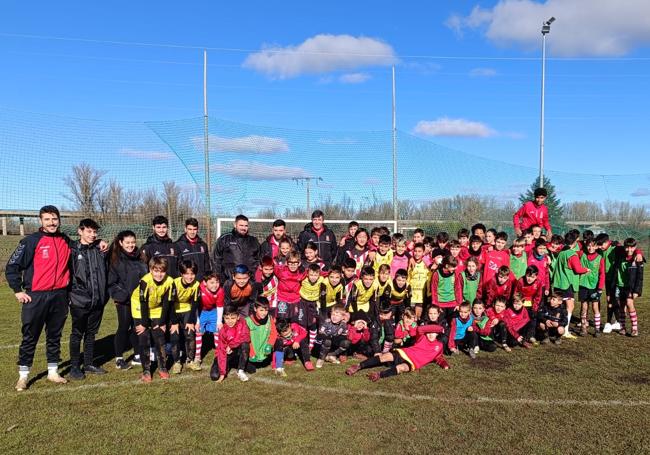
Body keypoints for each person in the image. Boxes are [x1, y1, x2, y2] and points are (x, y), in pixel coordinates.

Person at [7, 205, 73, 391]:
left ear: (59, 220)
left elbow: (83, 248)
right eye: (47, 219)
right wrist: (17, 290)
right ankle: (23, 376)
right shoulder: (30, 241)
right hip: (35, 296)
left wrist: (99, 242)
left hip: (60, 295)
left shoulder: (65, 240)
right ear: (41, 221)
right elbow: (12, 266)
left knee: (54, 335)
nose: (52, 223)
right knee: (30, 336)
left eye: (54, 219)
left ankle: (53, 372)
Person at [68, 218, 109, 380]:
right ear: (80, 231)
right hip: (79, 301)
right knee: (77, 333)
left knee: (91, 333)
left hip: (98, 300)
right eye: (89, 231)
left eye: (95, 232)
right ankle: (74, 367)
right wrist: (71, 296)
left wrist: (104, 295)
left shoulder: (100, 250)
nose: (93, 235)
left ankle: (89, 363)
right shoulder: (72, 250)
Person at [345, 324, 448, 381]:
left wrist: (444, 364)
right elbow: (421, 329)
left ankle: (379, 375)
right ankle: (358, 366)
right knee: (385, 357)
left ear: (437, 335)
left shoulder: (439, 346)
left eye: (433, 333)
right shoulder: (422, 338)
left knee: (401, 368)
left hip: (413, 363)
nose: (430, 335)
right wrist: (440, 328)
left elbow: (439, 358)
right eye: (429, 332)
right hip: (404, 353)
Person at [108, 230, 148, 370]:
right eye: (127, 243)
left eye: (133, 242)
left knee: (137, 327)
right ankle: (119, 358)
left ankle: (137, 355)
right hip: (124, 300)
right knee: (124, 327)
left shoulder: (141, 257)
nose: (131, 245)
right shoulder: (115, 259)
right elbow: (112, 282)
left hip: (139, 300)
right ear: (120, 243)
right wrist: (123, 295)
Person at [131, 257, 175, 383]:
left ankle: (162, 368)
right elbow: (143, 303)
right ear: (150, 270)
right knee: (143, 336)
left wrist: (161, 323)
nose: (159, 274)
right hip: (140, 307)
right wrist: (144, 324)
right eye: (156, 271)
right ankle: (146, 370)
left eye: (162, 271)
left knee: (159, 336)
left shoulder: (170, 282)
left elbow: (167, 304)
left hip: (156, 307)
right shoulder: (145, 281)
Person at [551, 231, 590, 338]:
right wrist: (586, 270)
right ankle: (565, 330)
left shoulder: (561, 253)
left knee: (559, 307)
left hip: (558, 283)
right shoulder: (571, 254)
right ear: (575, 241)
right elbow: (577, 269)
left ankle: (556, 328)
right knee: (569, 307)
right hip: (567, 284)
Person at [169, 260, 201, 374]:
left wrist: (191, 320)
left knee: (190, 334)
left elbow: (195, 303)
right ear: (181, 274)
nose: (190, 276)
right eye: (186, 273)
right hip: (174, 311)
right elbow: (170, 304)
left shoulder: (197, 284)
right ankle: (177, 362)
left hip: (187, 310)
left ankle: (190, 360)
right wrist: (174, 322)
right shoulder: (174, 283)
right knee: (175, 336)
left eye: (192, 274)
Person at [213, 214, 260, 281]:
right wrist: (219, 278)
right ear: (235, 225)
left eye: (246, 226)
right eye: (241, 225)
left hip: (249, 280)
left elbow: (258, 259)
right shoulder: (224, 239)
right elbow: (216, 260)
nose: (244, 228)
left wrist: (253, 275)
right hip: (229, 280)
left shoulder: (253, 241)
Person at [211, 305, 251, 382]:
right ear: (223, 318)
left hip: (237, 352)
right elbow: (222, 351)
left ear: (238, 317)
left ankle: (240, 370)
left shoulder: (243, 323)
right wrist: (222, 373)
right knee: (214, 376)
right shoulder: (223, 331)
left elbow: (246, 337)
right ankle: (228, 365)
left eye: (233, 318)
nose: (230, 321)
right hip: (225, 354)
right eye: (227, 318)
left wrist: (232, 345)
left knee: (245, 344)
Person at [614, 238, 644, 337]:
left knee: (629, 303)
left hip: (630, 287)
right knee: (621, 306)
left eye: (632, 248)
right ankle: (622, 327)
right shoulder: (620, 254)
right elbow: (612, 244)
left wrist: (636, 290)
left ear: (635, 248)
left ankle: (634, 328)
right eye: (627, 247)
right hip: (619, 285)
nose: (629, 250)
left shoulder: (637, 259)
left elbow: (640, 277)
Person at [194, 272, 223, 368]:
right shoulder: (199, 288)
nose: (215, 285)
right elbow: (196, 307)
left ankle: (219, 354)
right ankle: (197, 356)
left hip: (213, 311)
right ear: (205, 283)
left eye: (217, 282)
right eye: (212, 282)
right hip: (201, 311)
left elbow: (220, 307)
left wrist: (219, 322)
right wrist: (197, 321)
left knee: (217, 330)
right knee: (199, 332)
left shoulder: (220, 291)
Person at [578, 238, 605, 337]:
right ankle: (583, 327)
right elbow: (571, 248)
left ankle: (597, 329)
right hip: (583, 284)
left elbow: (602, 274)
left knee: (595, 307)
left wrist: (600, 288)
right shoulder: (582, 254)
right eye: (588, 245)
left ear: (597, 247)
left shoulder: (600, 258)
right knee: (584, 306)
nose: (590, 248)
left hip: (594, 286)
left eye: (593, 246)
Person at [245, 298, 277, 371]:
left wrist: (270, 345)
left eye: (266, 310)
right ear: (255, 309)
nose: (264, 313)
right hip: (252, 354)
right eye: (261, 310)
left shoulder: (269, 318)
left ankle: (276, 362)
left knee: (279, 341)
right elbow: (246, 339)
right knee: (251, 370)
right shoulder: (247, 321)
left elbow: (274, 333)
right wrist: (252, 353)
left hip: (264, 353)